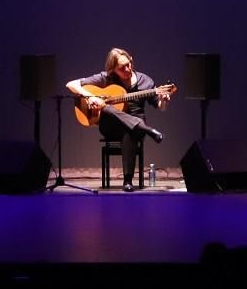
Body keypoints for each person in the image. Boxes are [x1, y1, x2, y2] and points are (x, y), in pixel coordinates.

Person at [66, 48, 171, 192]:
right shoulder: (106, 78)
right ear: (113, 69)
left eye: (129, 64)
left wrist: (163, 100)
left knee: (130, 129)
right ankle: (148, 130)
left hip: (135, 127)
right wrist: (90, 96)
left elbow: (160, 106)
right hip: (111, 126)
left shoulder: (145, 81)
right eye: (122, 68)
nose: (127, 69)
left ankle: (127, 181)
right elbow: (71, 84)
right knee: (105, 107)